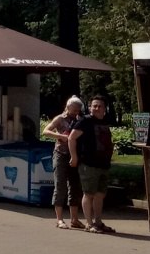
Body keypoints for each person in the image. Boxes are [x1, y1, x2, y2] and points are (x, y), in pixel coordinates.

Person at [68, 95, 116, 233]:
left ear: (104, 109)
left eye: (99, 106)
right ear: (89, 107)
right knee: (88, 193)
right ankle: (89, 224)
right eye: (94, 106)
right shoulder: (85, 121)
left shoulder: (105, 121)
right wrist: (74, 157)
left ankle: (98, 222)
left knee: (100, 194)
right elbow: (71, 138)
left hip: (104, 164)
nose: (96, 108)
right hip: (88, 164)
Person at [44, 96, 86, 230]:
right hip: (61, 154)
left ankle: (74, 219)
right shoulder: (59, 119)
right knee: (60, 184)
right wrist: (59, 136)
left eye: (77, 110)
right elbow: (46, 131)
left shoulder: (80, 119)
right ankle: (59, 219)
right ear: (67, 107)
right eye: (73, 110)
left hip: (75, 155)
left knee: (75, 186)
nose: (75, 113)